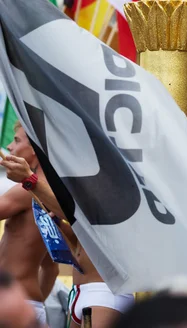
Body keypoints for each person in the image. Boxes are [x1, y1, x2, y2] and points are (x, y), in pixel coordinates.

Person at [0, 126, 134, 328]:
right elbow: (83, 241)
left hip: (103, 293)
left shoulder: (115, 181)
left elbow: (86, 218)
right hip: (80, 291)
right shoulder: (78, 186)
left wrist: (30, 179)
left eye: (17, 140)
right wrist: (60, 228)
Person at [0, 122, 59, 325]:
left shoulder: (28, 190)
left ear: (35, 149)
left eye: (16, 140)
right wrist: (33, 309)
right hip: (27, 304)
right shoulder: (50, 191)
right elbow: (51, 269)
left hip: (12, 304)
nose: (9, 146)